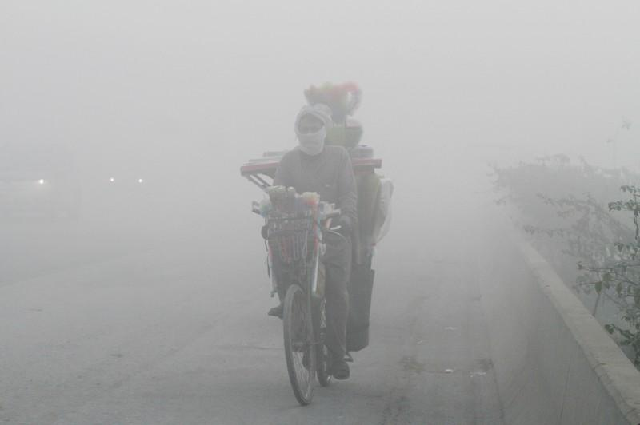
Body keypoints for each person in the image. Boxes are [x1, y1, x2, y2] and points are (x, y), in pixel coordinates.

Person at [270, 103, 357, 380]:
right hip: (299, 235)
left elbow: (349, 193)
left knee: (336, 294)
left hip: (333, 233)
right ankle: (300, 333)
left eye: (314, 128)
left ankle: (337, 353)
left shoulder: (339, 156)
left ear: (324, 129)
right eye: (304, 129)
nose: (309, 134)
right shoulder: (288, 161)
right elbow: (277, 195)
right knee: (294, 282)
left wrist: (348, 217)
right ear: (297, 131)